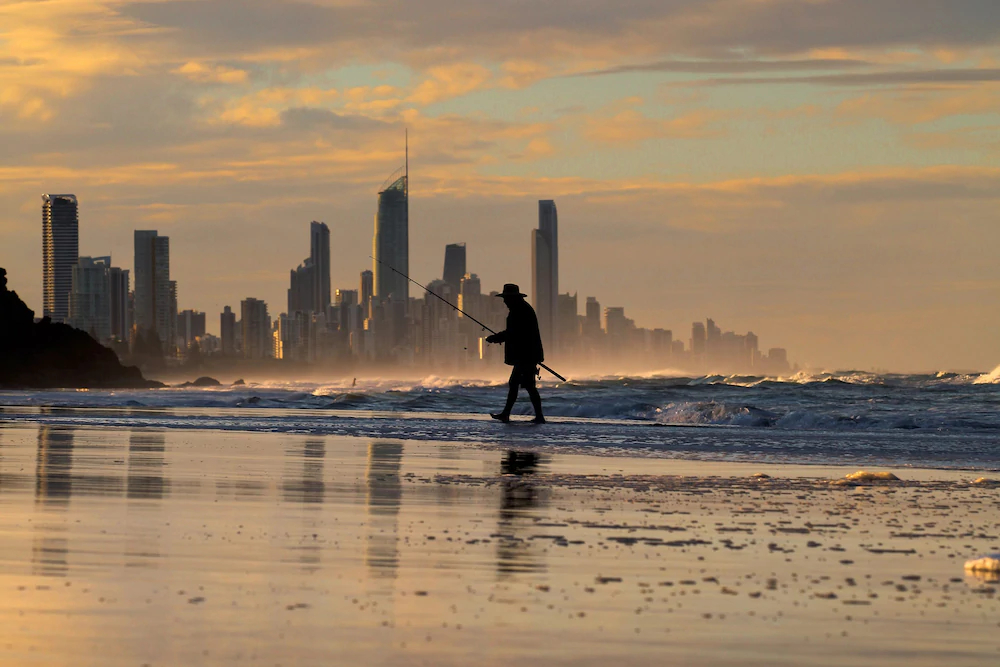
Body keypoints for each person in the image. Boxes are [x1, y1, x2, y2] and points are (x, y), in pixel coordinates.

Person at [486, 284, 545, 424]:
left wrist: (496, 338)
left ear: (512, 298)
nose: (504, 301)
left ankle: (534, 416)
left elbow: (514, 332)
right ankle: (513, 414)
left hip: (526, 355)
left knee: (522, 385)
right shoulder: (521, 309)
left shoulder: (520, 311)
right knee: (525, 385)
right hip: (526, 355)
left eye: (506, 298)